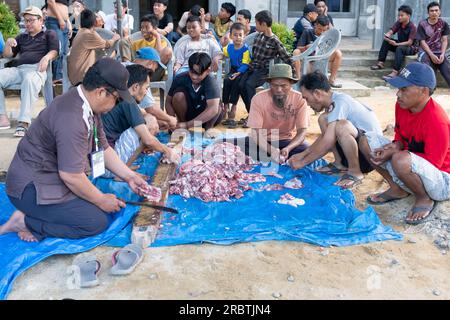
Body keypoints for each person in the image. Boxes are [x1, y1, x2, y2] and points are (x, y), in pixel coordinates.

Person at [0, 58, 149, 242]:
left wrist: (130, 176)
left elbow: (103, 148)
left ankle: (34, 216)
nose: (115, 105)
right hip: (31, 188)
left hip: (50, 177)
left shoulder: (85, 104)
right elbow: (71, 176)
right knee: (95, 222)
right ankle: (26, 222)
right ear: (101, 92)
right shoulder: (72, 117)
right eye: (116, 99)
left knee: (95, 202)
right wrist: (101, 199)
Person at [359, 62, 450, 225]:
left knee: (400, 159)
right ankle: (397, 188)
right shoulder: (402, 106)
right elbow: (401, 135)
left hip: (441, 180)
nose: (398, 94)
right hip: (413, 165)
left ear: (423, 91)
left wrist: (395, 153)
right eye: (398, 89)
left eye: (404, 89)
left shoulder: (436, 120)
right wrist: (395, 146)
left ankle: (424, 199)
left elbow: (434, 164)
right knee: (367, 140)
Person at [289, 71, 382, 189]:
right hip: (359, 154)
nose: (307, 104)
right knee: (323, 119)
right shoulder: (333, 104)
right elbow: (326, 137)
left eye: (306, 98)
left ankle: (355, 172)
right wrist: (302, 155)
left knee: (342, 126)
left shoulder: (340, 102)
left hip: (371, 157)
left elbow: (328, 142)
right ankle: (339, 164)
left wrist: (303, 162)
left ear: (317, 93)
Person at [102, 64, 178, 178]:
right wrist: (167, 150)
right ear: (135, 87)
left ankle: (123, 169)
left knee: (145, 124)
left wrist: (162, 123)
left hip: (100, 162)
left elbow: (142, 116)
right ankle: (122, 173)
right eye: (146, 88)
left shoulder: (119, 95)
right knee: (143, 130)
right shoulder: (128, 101)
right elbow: (148, 140)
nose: (147, 92)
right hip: (109, 167)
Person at [232, 63, 310, 163]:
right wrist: (272, 151)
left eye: (283, 86)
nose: (279, 90)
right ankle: (273, 157)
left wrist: (288, 148)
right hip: (262, 141)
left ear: (291, 83)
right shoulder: (258, 98)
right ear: (269, 84)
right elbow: (256, 133)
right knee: (229, 145)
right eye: (275, 85)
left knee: (306, 150)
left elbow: (302, 132)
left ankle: (270, 157)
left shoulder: (300, 99)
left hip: (287, 141)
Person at [0, 6, 59, 136]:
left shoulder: (49, 34)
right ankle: (2, 116)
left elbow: (55, 51)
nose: (28, 23)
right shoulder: (21, 37)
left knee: (29, 79)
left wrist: (46, 57)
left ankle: (24, 122)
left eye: (31, 20)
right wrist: (8, 44)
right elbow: (7, 55)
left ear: (41, 20)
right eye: (26, 21)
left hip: (37, 69)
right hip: (19, 70)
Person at [238, 10, 294, 126]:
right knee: (240, 85)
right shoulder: (258, 36)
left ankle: (255, 117)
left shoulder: (274, 40)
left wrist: (292, 71)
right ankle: (252, 114)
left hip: (264, 70)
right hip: (252, 67)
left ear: (263, 24)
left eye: (257, 23)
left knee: (249, 85)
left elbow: (286, 57)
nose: (255, 25)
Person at [165, 52, 223, 130]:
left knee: (217, 106)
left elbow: (213, 109)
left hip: (206, 119)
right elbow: (168, 101)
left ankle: (209, 128)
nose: (194, 76)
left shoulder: (211, 81)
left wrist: (188, 125)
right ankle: (182, 126)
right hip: (188, 115)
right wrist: (172, 121)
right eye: (191, 72)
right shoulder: (180, 78)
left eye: (198, 74)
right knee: (178, 96)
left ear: (208, 71)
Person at [125, 47, 178, 131]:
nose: (154, 71)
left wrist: (159, 120)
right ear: (150, 63)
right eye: (155, 68)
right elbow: (150, 108)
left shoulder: (125, 66)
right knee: (151, 123)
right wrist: (170, 119)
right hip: (118, 122)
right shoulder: (140, 74)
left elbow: (138, 108)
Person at [68, 9, 120, 86]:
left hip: (75, 74)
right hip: (82, 77)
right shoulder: (89, 34)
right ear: (94, 22)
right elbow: (107, 44)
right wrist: (115, 38)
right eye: (96, 17)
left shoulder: (81, 32)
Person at [293, 15, 343, 87]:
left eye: (324, 30)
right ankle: (299, 79)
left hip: (322, 60)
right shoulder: (307, 32)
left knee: (338, 53)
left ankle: (332, 80)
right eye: (320, 29)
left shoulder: (328, 36)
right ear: (315, 25)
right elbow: (299, 47)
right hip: (308, 61)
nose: (322, 32)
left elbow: (332, 48)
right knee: (296, 52)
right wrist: (307, 47)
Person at [119, 14, 172, 82]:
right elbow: (134, 59)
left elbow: (158, 57)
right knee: (123, 42)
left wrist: (158, 36)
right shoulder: (137, 43)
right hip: (137, 73)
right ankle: (128, 71)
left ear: (155, 28)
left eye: (147, 27)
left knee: (168, 51)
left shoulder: (161, 42)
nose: (143, 30)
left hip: (153, 74)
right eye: (142, 27)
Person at [370, 5, 417, 80]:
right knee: (386, 42)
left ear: (408, 16)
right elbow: (391, 31)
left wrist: (396, 44)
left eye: (402, 15)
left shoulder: (413, 27)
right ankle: (380, 63)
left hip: (410, 48)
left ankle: (395, 71)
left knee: (399, 48)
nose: (399, 17)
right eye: (399, 15)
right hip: (400, 44)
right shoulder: (399, 23)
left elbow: (409, 42)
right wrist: (387, 36)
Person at [221, 23, 251, 128]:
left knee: (236, 84)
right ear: (231, 36)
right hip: (233, 69)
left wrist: (238, 73)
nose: (237, 37)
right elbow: (222, 53)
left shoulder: (245, 49)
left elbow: (245, 64)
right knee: (226, 81)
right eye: (235, 35)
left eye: (240, 35)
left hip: (243, 71)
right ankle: (225, 107)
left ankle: (233, 109)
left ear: (244, 36)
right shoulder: (229, 47)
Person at [416, 2, 450, 88]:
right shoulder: (422, 24)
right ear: (428, 12)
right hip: (424, 52)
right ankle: (428, 91)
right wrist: (431, 55)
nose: (434, 12)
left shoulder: (444, 24)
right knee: (429, 73)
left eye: (436, 10)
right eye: (431, 11)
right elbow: (422, 42)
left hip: (439, 52)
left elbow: (444, 40)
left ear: (439, 12)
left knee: (447, 71)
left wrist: (443, 54)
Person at [45, 0, 71, 83]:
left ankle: (60, 77)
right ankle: (56, 78)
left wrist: (68, 22)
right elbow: (50, 2)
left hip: (63, 22)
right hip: (55, 21)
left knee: (64, 52)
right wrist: (60, 19)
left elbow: (65, 7)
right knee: (57, 50)